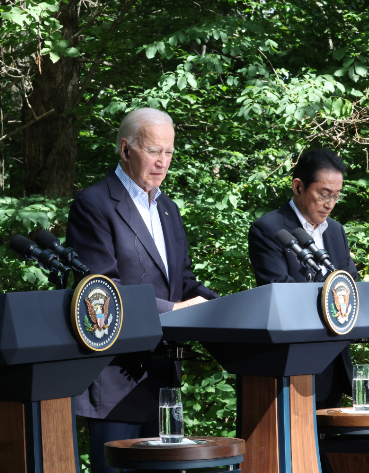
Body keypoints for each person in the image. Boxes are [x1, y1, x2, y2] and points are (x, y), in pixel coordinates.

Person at [67, 108, 218, 473]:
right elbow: (101, 292)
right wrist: (176, 311)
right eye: (154, 151)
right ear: (125, 149)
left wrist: (222, 307)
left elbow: (183, 280)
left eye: (169, 152)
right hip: (116, 379)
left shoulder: (168, 208)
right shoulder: (94, 204)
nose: (162, 161)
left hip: (164, 380)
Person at [248, 148, 358, 408]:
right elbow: (279, 291)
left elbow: (350, 283)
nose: (329, 204)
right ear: (298, 187)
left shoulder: (336, 231)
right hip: (293, 361)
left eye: (336, 196)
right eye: (323, 194)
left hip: (334, 364)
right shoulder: (269, 229)